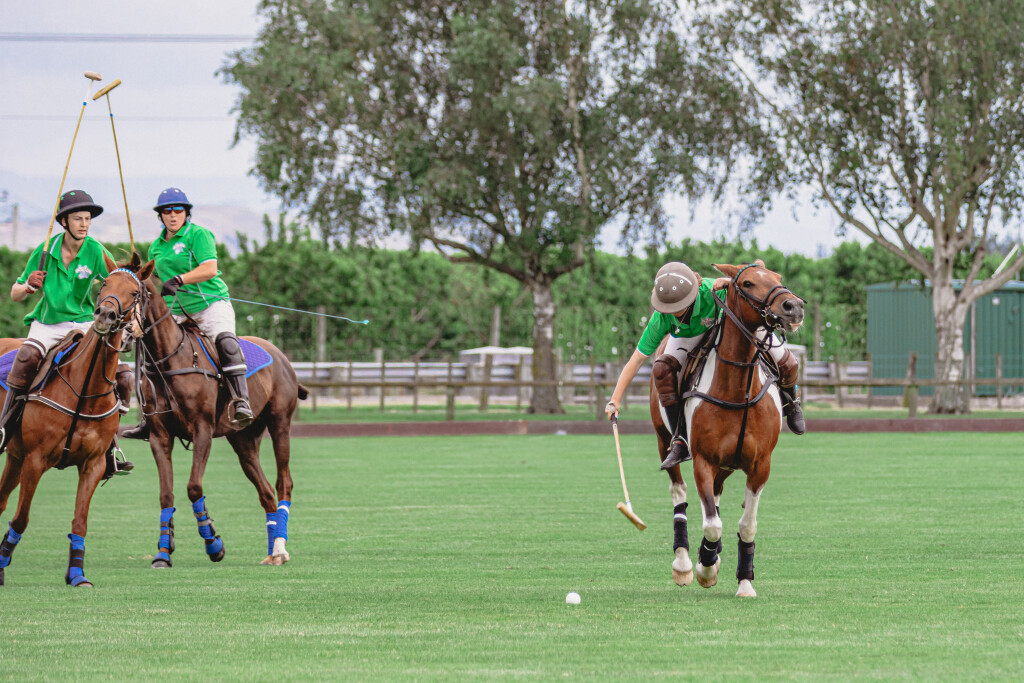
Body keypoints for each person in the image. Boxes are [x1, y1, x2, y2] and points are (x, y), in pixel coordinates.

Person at [604, 261, 805, 471]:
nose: (674, 311)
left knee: (788, 361)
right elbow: (636, 359)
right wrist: (615, 399)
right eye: (669, 307)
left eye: (680, 305)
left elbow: (750, 280)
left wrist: (728, 282)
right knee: (661, 369)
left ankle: (792, 403)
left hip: (731, 329)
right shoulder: (661, 318)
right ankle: (680, 438)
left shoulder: (712, 290)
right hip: (687, 337)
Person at [0, 189, 133, 479]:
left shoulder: (97, 251)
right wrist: (29, 285)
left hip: (84, 324)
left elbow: (117, 284)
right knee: (25, 358)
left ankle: (110, 447)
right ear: (64, 222)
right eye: (78, 219)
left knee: (123, 376)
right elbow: (15, 293)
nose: (84, 224)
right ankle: (5, 428)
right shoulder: (44, 251)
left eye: (87, 219)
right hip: (48, 324)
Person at [120, 187, 252, 440]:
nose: (172, 215)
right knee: (151, 351)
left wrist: (180, 279)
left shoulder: (198, 235)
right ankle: (149, 417)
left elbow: (210, 268)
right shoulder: (156, 247)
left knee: (226, 341)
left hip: (210, 305)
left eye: (177, 210)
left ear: (186, 212)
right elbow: (154, 281)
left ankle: (241, 401)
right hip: (177, 312)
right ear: (161, 216)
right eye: (167, 211)